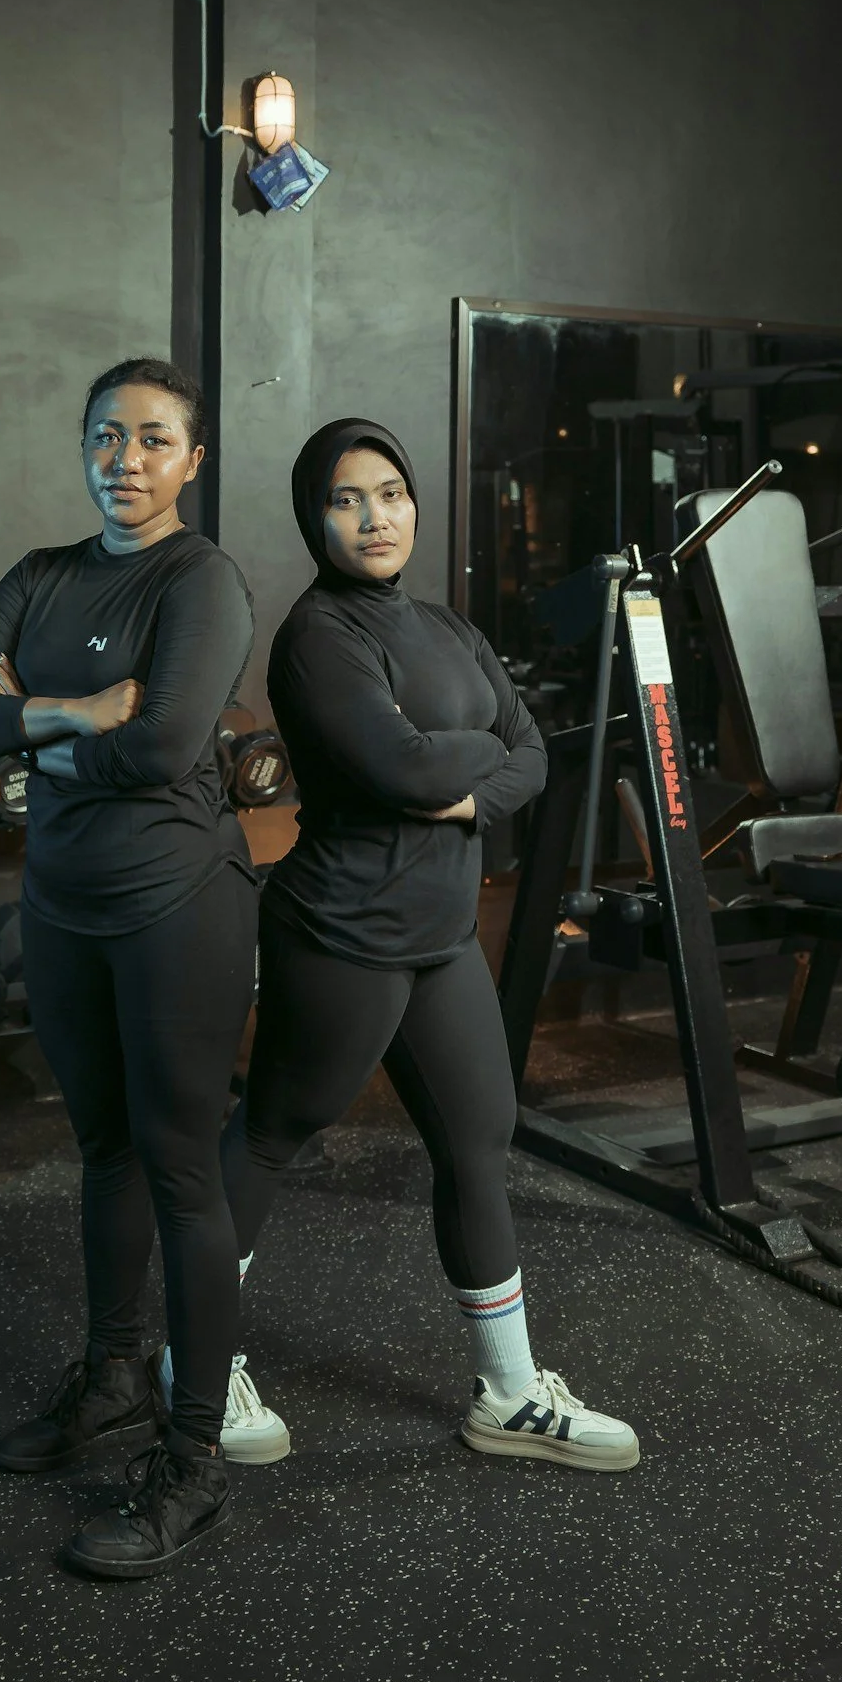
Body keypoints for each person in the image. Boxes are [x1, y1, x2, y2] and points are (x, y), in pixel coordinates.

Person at [220, 418, 641, 1471]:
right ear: (315, 517)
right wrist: (464, 767)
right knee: (272, 1130)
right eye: (346, 499)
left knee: (476, 1143)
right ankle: (194, 1359)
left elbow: (533, 752)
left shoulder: (446, 629)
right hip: (342, 931)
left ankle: (506, 1392)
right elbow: (407, 770)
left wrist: (463, 773)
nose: (374, 517)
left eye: (390, 494)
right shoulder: (318, 636)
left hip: (442, 938)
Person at [0, 356, 282, 1579]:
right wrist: (79, 716)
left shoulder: (203, 580)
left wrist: (31, 715)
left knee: (182, 1169)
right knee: (101, 1149)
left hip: (173, 904)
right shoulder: (41, 573)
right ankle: (112, 1377)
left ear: (190, 458)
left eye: (148, 438)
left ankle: (191, 1463)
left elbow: (171, 744)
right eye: (101, 435)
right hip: (63, 906)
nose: (121, 458)